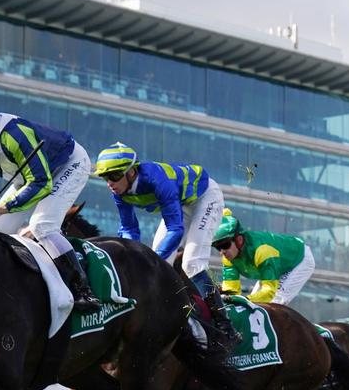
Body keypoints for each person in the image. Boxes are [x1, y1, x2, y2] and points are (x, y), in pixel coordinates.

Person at [0, 79, 100, 312]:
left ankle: (83, 290)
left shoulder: (11, 134)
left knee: (42, 226)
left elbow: (42, 183)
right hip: (29, 177)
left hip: (67, 164)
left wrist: (5, 207)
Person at [92, 142, 240, 345]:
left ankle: (225, 325)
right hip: (181, 204)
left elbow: (175, 229)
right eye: (105, 177)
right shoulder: (119, 191)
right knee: (159, 266)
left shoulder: (157, 180)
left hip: (205, 198)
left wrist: (150, 261)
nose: (110, 182)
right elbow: (129, 229)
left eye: (115, 175)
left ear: (132, 172)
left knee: (192, 264)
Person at [211, 209, 314, 306]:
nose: (222, 252)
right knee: (251, 306)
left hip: (299, 260)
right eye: (217, 247)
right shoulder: (228, 258)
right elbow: (231, 291)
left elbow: (269, 292)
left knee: (274, 302)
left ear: (239, 240)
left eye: (225, 245)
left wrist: (245, 301)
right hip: (277, 263)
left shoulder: (262, 251)